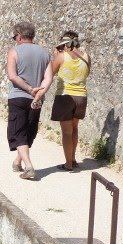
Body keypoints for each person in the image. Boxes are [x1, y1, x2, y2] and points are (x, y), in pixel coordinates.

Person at [5, 22, 52, 180]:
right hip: (36, 100)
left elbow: (12, 76)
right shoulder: (45, 54)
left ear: (19, 36)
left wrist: (29, 89)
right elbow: (48, 78)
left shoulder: (14, 51)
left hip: (18, 96)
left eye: (14, 37)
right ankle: (18, 161)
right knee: (29, 131)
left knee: (18, 131)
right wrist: (39, 93)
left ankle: (29, 166)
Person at [46, 31, 91, 171]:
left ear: (65, 44)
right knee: (74, 128)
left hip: (65, 96)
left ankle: (68, 164)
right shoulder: (86, 57)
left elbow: (50, 73)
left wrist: (55, 57)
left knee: (66, 132)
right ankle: (72, 158)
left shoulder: (61, 57)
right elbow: (87, 74)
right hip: (81, 97)